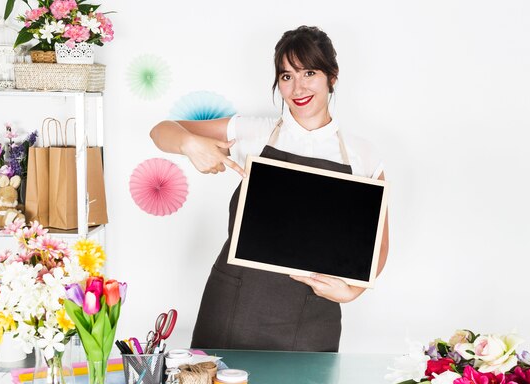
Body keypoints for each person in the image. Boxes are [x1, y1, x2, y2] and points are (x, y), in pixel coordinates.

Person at [150, 25, 389, 352]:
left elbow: (379, 242)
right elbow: (162, 131)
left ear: (332, 77)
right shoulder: (253, 132)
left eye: (309, 72)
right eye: (286, 76)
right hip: (236, 301)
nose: (298, 86)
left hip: (313, 312)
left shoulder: (363, 154)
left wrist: (353, 292)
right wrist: (190, 144)